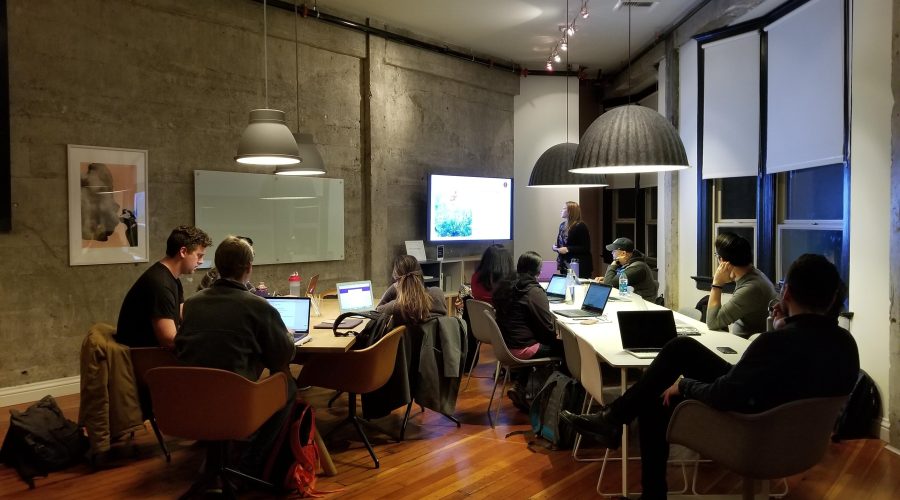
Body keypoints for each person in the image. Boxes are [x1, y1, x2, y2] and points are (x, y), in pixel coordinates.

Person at [561, 254, 859, 499]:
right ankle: (614, 419)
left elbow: (723, 394)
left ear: (787, 293)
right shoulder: (847, 346)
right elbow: (792, 375)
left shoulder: (774, 344)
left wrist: (684, 386)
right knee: (682, 347)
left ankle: (622, 436)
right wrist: (785, 328)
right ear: (832, 297)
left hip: (750, 431)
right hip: (801, 439)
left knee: (658, 398)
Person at [175, 235, 296, 476]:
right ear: (249, 268)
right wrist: (288, 336)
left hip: (188, 400)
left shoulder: (192, 304)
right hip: (237, 402)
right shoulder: (259, 307)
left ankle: (218, 459)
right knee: (287, 385)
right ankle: (250, 463)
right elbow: (283, 356)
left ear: (217, 267)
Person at [116, 225, 211, 348]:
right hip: (143, 357)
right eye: (199, 255)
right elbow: (169, 340)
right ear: (183, 252)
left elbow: (184, 315)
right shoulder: (160, 284)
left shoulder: (172, 278)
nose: (201, 261)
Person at [492, 251, 563, 410]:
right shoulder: (533, 291)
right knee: (568, 349)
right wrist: (558, 337)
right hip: (522, 348)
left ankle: (520, 385)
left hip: (504, 345)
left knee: (536, 338)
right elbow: (546, 331)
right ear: (538, 271)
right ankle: (557, 400)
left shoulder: (506, 285)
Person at [706, 232, 778, 335]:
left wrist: (717, 284)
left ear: (722, 261)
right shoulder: (755, 274)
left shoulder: (751, 288)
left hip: (745, 346)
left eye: (716, 255)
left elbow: (712, 322)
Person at [376, 254, 447, 327]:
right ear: (420, 273)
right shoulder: (438, 294)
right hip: (435, 338)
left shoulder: (395, 306)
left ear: (396, 278)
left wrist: (394, 286)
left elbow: (377, 311)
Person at [601, 237, 659, 301]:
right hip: (632, 302)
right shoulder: (629, 264)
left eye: (614, 251)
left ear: (623, 253)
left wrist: (613, 264)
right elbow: (615, 282)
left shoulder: (637, 268)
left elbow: (609, 285)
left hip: (641, 307)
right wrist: (606, 278)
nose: (612, 253)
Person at [553, 201, 593, 279]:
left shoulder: (580, 226)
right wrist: (555, 247)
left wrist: (568, 249)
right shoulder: (562, 225)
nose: (561, 210)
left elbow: (585, 247)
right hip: (564, 264)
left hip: (579, 265)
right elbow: (561, 244)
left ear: (570, 212)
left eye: (564, 208)